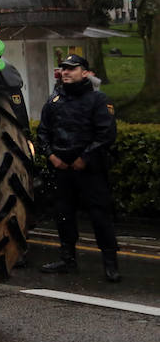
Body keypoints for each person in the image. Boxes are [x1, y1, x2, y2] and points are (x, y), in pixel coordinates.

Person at [38, 54, 122, 282]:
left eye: (71, 69)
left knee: (100, 216)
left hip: (90, 170)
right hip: (62, 169)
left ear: (85, 72)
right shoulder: (55, 99)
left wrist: (84, 158)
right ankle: (67, 259)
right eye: (64, 68)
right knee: (63, 215)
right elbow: (43, 132)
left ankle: (110, 263)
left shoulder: (98, 99)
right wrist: (51, 156)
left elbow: (106, 134)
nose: (66, 72)